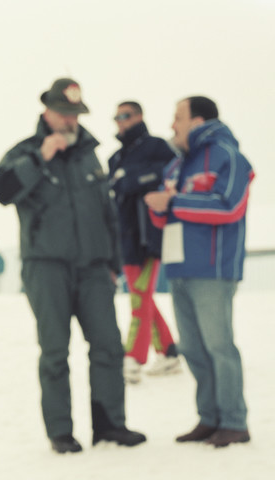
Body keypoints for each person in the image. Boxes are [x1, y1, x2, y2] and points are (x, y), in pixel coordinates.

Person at [0, 77, 146, 453]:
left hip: (94, 267)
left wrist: (113, 263)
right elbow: (1, 191)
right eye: (63, 113)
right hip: (46, 267)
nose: (69, 120)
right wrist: (39, 158)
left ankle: (110, 425)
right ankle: (60, 432)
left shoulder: (89, 153)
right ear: (46, 111)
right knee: (55, 351)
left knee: (108, 346)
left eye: (74, 114)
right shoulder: (25, 151)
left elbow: (107, 212)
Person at [145, 95, 255, 447]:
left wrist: (174, 201)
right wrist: (158, 207)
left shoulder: (229, 157)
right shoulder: (176, 166)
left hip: (213, 269)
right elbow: (165, 218)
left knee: (219, 346)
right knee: (192, 348)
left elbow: (229, 207)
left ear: (198, 121)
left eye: (178, 117)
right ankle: (209, 418)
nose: (172, 125)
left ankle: (234, 422)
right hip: (179, 268)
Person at [108, 101, 180, 383]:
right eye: (116, 117)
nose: (120, 121)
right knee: (143, 297)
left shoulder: (158, 147)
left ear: (138, 116)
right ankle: (169, 352)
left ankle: (132, 359)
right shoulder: (116, 157)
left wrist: (130, 179)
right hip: (124, 238)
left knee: (139, 297)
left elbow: (169, 175)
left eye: (125, 115)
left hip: (149, 236)